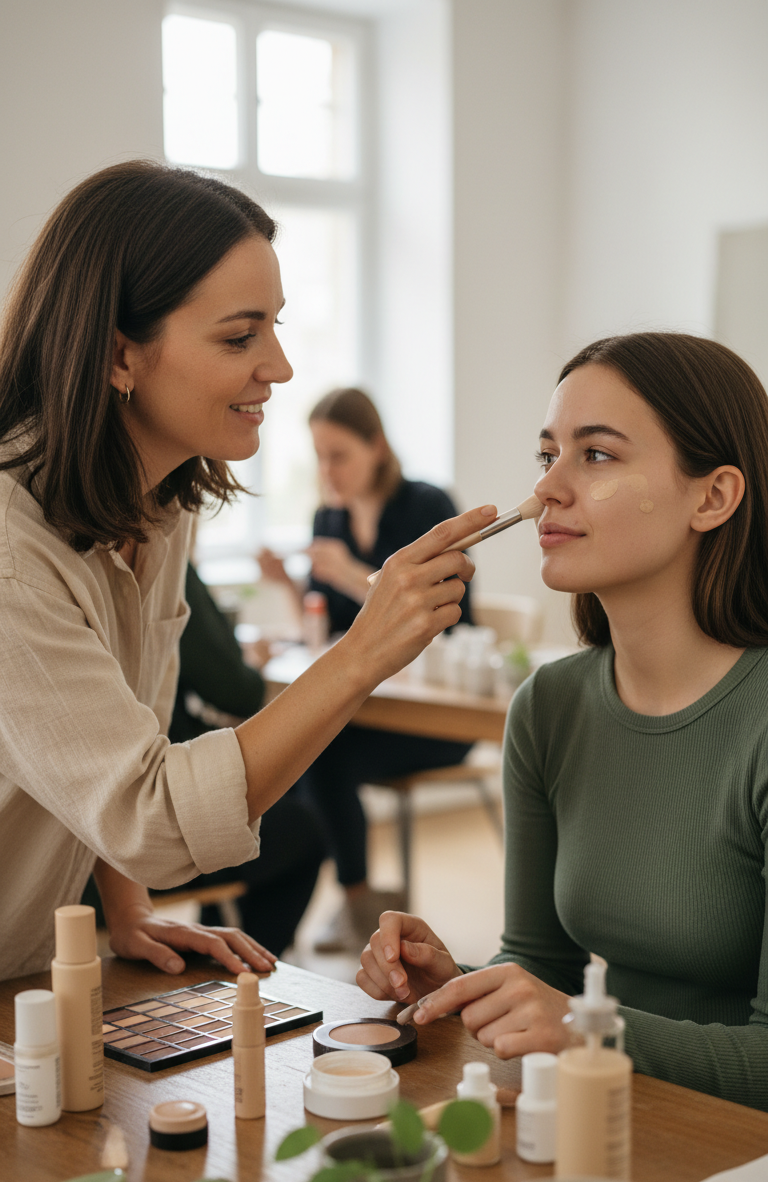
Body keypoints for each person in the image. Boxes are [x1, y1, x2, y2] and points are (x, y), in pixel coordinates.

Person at [0, 160, 491, 982]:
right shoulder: (13, 556)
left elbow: (122, 743)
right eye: (240, 336)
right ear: (120, 355)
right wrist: (362, 650)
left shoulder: (159, 507)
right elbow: (151, 814)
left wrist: (127, 907)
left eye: (276, 326)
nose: (281, 366)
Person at [358, 331, 768, 1111]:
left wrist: (584, 1029)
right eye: (548, 455)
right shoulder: (548, 707)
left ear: (712, 497)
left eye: (597, 455)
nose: (546, 488)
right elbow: (540, 962)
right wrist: (461, 982)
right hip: (602, 1118)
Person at [259, 388, 474, 955]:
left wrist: (353, 573)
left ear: (376, 446)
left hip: (436, 718)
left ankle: (356, 902)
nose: (327, 471)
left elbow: (446, 616)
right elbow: (328, 627)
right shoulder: (328, 518)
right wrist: (288, 585)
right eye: (319, 457)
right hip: (369, 711)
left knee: (322, 754)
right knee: (307, 747)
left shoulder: (425, 507)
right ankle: (344, 901)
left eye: (339, 456)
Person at [157, 562, 327, 956]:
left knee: (303, 782)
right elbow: (238, 690)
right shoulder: (170, 566)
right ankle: (244, 967)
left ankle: (218, 936)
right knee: (303, 831)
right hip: (149, 825)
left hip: (110, 824)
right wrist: (252, 665)